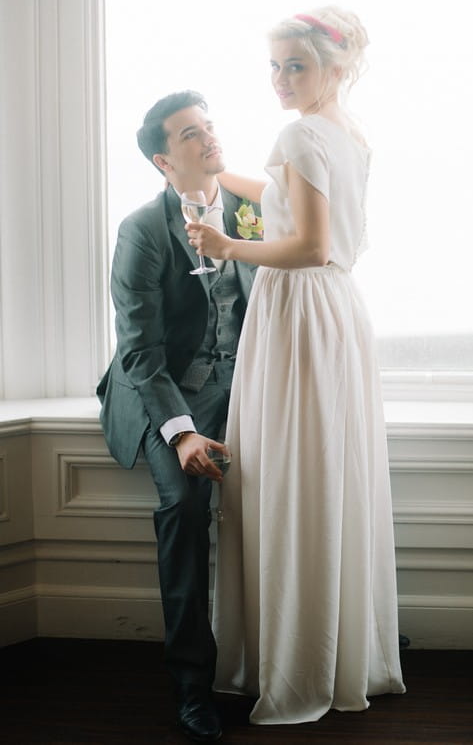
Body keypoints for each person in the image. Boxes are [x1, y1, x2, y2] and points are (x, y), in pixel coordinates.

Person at [186, 7, 406, 725]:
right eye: (274, 65)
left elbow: (307, 244)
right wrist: (226, 176)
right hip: (334, 310)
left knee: (291, 475)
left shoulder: (301, 131)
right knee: (323, 471)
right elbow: (291, 199)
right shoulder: (343, 131)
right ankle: (332, 650)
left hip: (298, 310)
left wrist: (226, 246)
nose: (280, 78)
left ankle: (292, 659)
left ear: (335, 67)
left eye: (295, 66)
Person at [96, 90, 259, 743]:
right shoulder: (142, 229)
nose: (209, 137)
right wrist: (184, 430)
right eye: (192, 133)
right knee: (186, 505)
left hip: (239, 383)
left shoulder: (249, 212)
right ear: (165, 160)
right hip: (160, 390)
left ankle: (341, 635)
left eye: (210, 125)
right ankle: (193, 686)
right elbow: (139, 348)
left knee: (301, 464)